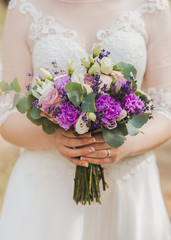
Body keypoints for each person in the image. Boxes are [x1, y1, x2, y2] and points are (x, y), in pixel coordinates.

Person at [0, 0, 171, 239]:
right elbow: (8, 116)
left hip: (128, 186)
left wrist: (125, 145)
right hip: (48, 192)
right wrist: (56, 138)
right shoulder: (25, 7)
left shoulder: (153, 6)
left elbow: (166, 111)